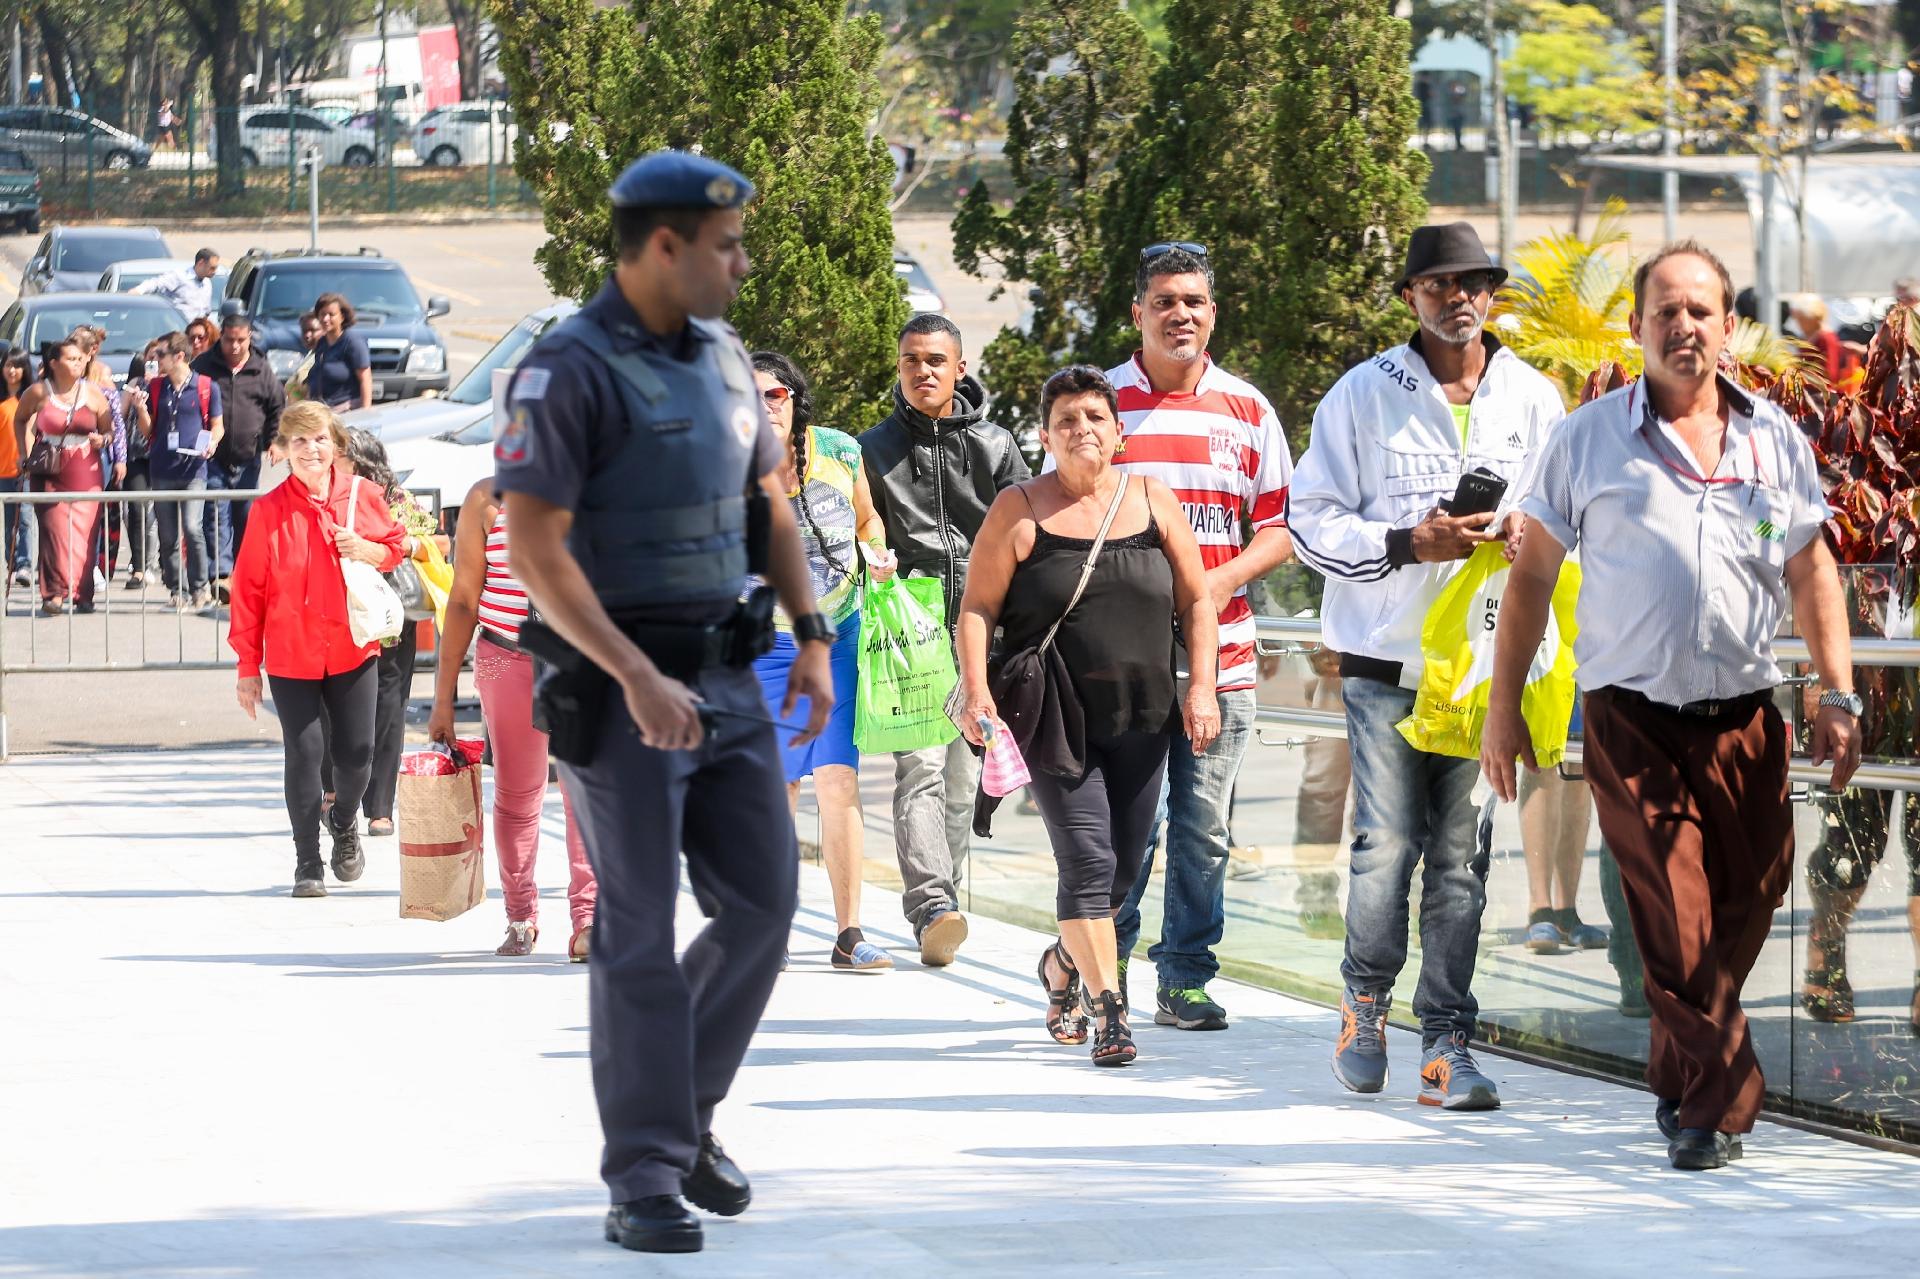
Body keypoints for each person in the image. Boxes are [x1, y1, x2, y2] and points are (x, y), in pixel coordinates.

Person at [495, 150, 831, 1255]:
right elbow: (534, 544)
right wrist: (634, 675)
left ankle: (680, 1119)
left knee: (767, 906)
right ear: (664, 248)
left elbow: (769, 502)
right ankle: (642, 1171)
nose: (742, 266)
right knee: (637, 927)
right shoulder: (566, 369)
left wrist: (812, 632)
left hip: (727, 674)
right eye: (725, 247)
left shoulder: (729, 357)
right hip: (614, 682)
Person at [1482, 239, 1863, 1169]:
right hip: (1632, 718)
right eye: (1666, 309)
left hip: (1746, 714)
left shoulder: (1776, 440)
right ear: (1638, 326)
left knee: (1750, 896)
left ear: (1729, 327)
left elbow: (1812, 571)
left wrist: (1838, 691)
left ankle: (1679, 1075)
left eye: (1702, 309)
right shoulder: (1588, 438)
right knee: (1675, 911)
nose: (1684, 324)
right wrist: (1503, 708)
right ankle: (1720, 1104)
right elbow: (1531, 579)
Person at [1289, 222, 1564, 1110]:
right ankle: (1364, 1002)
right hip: (1383, 660)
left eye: (1475, 282)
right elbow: (1310, 519)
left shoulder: (1533, 397)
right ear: (1411, 295)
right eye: (1439, 283)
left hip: (1486, 668)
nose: (1459, 298)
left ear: (1493, 294)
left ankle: (1446, 1041)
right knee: (1386, 844)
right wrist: (1412, 541)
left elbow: (1568, 516)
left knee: (1461, 859)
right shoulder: (1364, 394)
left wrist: (1529, 530)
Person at [958, 364, 1219, 1066]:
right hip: (1052, 718)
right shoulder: (1018, 509)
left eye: (1095, 417)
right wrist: (977, 690)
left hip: (1143, 715)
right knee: (1087, 860)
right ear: (1046, 436)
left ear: (1119, 433)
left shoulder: (1154, 500)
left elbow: (1196, 601)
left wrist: (1203, 688)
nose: (1082, 429)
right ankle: (1111, 1011)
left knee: (1121, 872)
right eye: (1067, 419)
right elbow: (977, 607)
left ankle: (1063, 963)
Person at [1098, 243, 1294, 1033]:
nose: (1182, 314)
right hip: (1123, 665)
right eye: (1166, 300)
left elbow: (1281, 529)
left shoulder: (1247, 410)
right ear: (1138, 312)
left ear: (1213, 313)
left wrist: (1210, 585)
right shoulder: (1102, 406)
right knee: (1125, 831)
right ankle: (1097, 969)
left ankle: (1184, 978)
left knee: (1204, 832)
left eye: (1196, 301)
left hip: (1228, 659)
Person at [861, 313, 1031, 965]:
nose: (923, 371)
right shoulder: (873, 450)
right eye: (911, 360)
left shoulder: (994, 445)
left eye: (936, 360)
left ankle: (946, 906)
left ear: (960, 368)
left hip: (982, 633)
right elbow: (858, 532)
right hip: (913, 633)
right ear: (899, 367)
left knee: (963, 781)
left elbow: (1029, 535)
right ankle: (931, 904)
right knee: (921, 769)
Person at [750, 350, 895, 972]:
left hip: (839, 634)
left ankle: (849, 933)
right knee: (776, 786)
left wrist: (878, 557)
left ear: (794, 397)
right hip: (767, 643)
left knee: (837, 778)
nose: (764, 407)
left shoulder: (837, 449)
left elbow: (869, 523)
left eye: (774, 395)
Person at [230, 401, 407, 897]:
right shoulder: (267, 511)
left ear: (336, 447)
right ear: (285, 450)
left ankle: (345, 821)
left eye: (320, 439)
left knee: (357, 753)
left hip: (352, 646)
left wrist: (369, 549)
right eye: (300, 441)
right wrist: (248, 665)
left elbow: (397, 545)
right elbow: (248, 592)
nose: (311, 449)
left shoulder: (363, 496)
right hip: (291, 653)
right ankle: (307, 860)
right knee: (304, 752)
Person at [428, 476, 599, 960]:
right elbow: (462, 600)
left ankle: (588, 920)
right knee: (518, 794)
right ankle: (520, 917)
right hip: (508, 658)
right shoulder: (488, 499)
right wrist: (444, 698)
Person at [317, 429, 429, 838]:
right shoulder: (325, 494)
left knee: (390, 711)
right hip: (341, 618)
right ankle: (331, 791)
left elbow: (440, 543)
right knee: (334, 704)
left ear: (359, 461)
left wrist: (390, 546)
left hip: (390, 618)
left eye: (339, 453)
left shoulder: (396, 499)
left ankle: (380, 808)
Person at [18, 337, 113, 614]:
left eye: (80, 359)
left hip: (85, 464)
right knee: (53, 531)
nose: (78, 363)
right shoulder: (38, 392)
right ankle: (54, 594)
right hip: (48, 464)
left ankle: (83, 593)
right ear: (54, 363)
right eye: (71, 359)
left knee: (85, 531)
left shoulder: (93, 393)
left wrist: (103, 440)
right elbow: (21, 419)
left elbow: (109, 431)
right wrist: (25, 452)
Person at [193, 310, 284, 591]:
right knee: (215, 514)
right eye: (229, 340)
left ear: (249, 339)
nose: (234, 346)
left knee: (245, 516)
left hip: (248, 457)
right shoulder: (204, 366)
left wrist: (275, 440)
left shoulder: (261, 369)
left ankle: (242, 572)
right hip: (213, 456)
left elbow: (277, 407)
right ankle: (220, 573)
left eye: (240, 341)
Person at [133, 331, 222, 612]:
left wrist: (213, 443)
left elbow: (217, 425)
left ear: (179, 356)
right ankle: (177, 589)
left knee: (192, 528)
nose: (155, 359)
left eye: (161, 354)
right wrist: (140, 409)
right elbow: (149, 431)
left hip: (194, 469)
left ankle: (200, 588)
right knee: (168, 535)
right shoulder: (157, 387)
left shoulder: (207, 386)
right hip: (162, 468)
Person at [307, 293, 373, 411]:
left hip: (346, 412)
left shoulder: (353, 342)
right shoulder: (322, 343)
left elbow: (366, 379)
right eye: (322, 314)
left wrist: (365, 412)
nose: (325, 319)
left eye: (331, 315)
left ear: (342, 316)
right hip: (322, 412)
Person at [131, 248, 221, 320]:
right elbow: (156, 283)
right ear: (200, 263)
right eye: (212, 268)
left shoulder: (207, 283)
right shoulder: (179, 276)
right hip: (179, 331)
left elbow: (206, 311)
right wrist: (138, 291)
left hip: (198, 333)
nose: (214, 272)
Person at [1788, 295, 1858, 388]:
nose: (1798, 323)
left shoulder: (1825, 338)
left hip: (1819, 393)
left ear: (1813, 318)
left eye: (1801, 319)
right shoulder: (1809, 337)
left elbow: (1830, 373)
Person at [0, 347, 26, 586]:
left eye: (17, 365)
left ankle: (25, 564)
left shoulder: (31, 397)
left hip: (28, 469)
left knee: (26, 517)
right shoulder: (1, 402)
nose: (12, 370)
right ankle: (13, 563)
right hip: (4, 470)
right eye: (8, 365)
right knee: (11, 522)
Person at [287, 311, 324, 401]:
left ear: (325, 330)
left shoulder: (325, 357)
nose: (307, 335)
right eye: (304, 331)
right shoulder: (311, 355)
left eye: (313, 330)